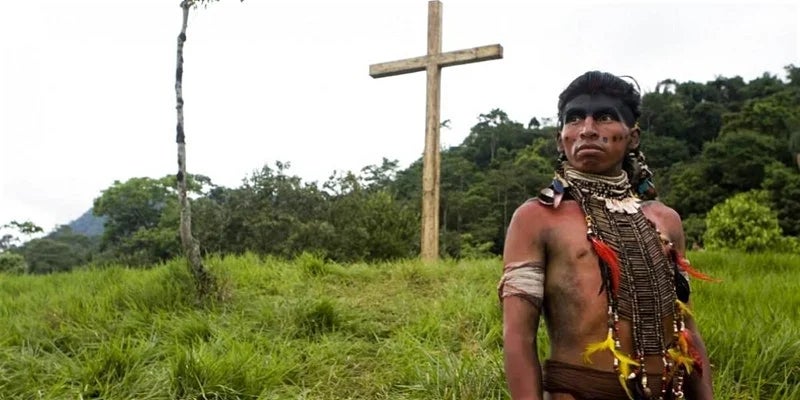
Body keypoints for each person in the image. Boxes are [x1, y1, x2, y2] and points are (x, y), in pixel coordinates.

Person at [498, 71, 714, 400]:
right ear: (561, 139)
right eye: (574, 120)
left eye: (604, 117)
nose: (587, 129)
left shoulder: (665, 219)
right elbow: (517, 337)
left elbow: (687, 329)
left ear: (634, 136)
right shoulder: (537, 217)